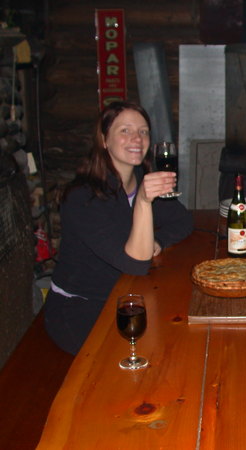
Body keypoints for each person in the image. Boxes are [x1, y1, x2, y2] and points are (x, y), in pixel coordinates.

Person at [44, 101, 193, 355]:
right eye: (125, 130)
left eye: (143, 131)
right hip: (81, 308)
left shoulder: (139, 181)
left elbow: (183, 220)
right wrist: (144, 202)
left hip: (128, 295)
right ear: (104, 140)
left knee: (182, 338)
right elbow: (135, 263)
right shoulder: (83, 197)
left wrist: (157, 241)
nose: (136, 138)